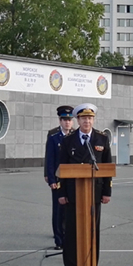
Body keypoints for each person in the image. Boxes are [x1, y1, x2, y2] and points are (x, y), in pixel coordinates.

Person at [56, 103, 111, 266]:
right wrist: (61, 193)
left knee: (93, 232)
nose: (87, 121)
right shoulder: (68, 141)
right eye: (83, 118)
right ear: (77, 120)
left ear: (93, 120)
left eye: (90, 118)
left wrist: (106, 192)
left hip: (93, 194)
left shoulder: (102, 139)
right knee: (71, 232)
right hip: (73, 195)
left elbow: (107, 168)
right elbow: (61, 169)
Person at [44, 105, 74, 250]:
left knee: (70, 210)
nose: (67, 122)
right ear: (60, 121)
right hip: (58, 180)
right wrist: (51, 179)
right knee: (58, 211)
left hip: (72, 180)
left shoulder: (76, 137)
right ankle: (59, 240)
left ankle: (68, 237)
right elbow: (50, 160)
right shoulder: (54, 138)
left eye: (69, 120)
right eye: (64, 120)